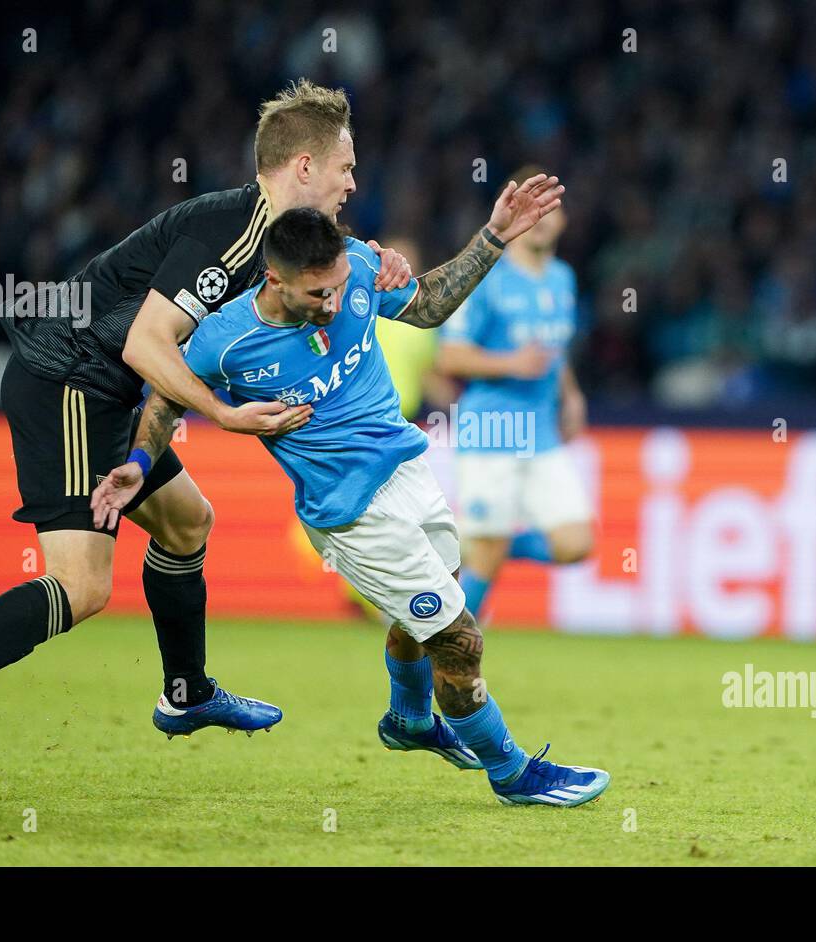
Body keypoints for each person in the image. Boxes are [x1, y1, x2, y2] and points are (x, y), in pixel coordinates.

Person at [0, 80, 414, 796]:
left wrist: (384, 264)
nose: (353, 182)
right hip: (66, 383)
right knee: (82, 585)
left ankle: (186, 693)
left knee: (188, 522)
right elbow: (144, 344)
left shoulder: (280, 242)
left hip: (107, 394)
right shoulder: (232, 232)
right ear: (305, 166)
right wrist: (221, 416)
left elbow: (333, 272)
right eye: (345, 166)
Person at [93, 189, 611, 807]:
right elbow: (165, 396)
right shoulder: (224, 341)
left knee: (424, 611)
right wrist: (141, 462)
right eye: (317, 294)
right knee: (459, 638)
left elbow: (428, 306)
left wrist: (493, 236)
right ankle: (512, 772)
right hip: (351, 514)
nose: (333, 302)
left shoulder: (361, 268)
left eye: (338, 286)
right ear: (274, 279)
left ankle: (410, 720)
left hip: (409, 471)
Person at [436, 165, 593, 619]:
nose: (542, 215)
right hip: (493, 430)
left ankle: (480, 539)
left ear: (563, 219)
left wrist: (572, 394)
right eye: (532, 204)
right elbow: (449, 358)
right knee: (485, 553)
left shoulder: (562, 278)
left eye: (552, 206)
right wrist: (510, 363)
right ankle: (452, 649)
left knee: (575, 544)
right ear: (517, 212)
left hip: (541, 433)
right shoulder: (489, 277)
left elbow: (553, 350)